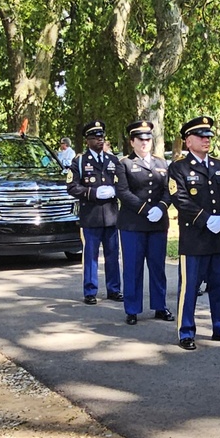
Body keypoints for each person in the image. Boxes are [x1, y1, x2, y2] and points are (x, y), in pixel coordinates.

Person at [168, 116, 220, 350]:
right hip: (195, 238)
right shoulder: (178, 167)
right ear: (188, 141)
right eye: (201, 136)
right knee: (190, 288)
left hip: (218, 237)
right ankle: (186, 332)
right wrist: (205, 218)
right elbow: (179, 198)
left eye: (208, 136)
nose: (206, 140)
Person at [114, 120, 175, 325]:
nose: (145, 143)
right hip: (133, 224)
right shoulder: (124, 164)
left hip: (157, 224)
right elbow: (123, 192)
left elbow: (169, 190)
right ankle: (132, 309)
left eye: (148, 139)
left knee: (158, 267)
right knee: (133, 267)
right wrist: (146, 209)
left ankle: (160, 306)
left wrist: (161, 208)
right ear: (132, 142)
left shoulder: (162, 163)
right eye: (140, 139)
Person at [66, 120, 123, 305]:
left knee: (113, 254)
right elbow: (72, 187)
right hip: (90, 216)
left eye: (101, 137)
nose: (99, 140)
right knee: (90, 255)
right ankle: (90, 291)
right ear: (87, 141)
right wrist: (92, 192)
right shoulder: (80, 161)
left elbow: (122, 183)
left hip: (111, 216)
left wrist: (116, 190)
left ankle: (114, 289)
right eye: (95, 137)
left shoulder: (112, 160)